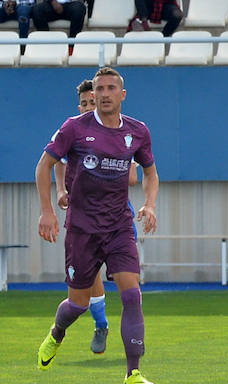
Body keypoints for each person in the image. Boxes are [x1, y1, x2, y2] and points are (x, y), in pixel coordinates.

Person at [36, 67, 159, 384]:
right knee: (77, 304)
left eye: (109, 88)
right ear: (93, 95)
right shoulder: (74, 128)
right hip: (82, 229)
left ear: (122, 95)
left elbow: (150, 172)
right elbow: (45, 165)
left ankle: (133, 373)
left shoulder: (138, 131)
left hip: (119, 226)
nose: (103, 94)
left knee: (132, 295)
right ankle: (57, 333)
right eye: (99, 89)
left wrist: (150, 203)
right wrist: (47, 210)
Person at [53, 78, 140, 355]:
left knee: (129, 291)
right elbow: (54, 162)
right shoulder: (73, 132)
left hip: (115, 220)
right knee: (85, 286)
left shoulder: (122, 134)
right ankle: (100, 325)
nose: (90, 106)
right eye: (85, 103)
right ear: (79, 105)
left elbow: (135, 176)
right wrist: (61, 190)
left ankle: (133, 364)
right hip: (83, 221)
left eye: (94, 101)